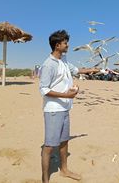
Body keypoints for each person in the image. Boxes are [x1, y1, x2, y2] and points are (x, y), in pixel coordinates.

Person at [39, 30, 100, 183]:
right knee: (48, 146)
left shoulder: (64, 60)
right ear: (57, 45)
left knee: (64, 140)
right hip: (54, 110)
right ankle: (45, 180)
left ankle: (64, 170)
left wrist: (93, 70)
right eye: (65, 42)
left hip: (65, 108)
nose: (68, 45)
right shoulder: (48, 65)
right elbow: (44, 90)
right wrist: (68, 95)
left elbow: (76, 70)